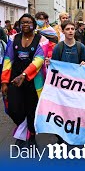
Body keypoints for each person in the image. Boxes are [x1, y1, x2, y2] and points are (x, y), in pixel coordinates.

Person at [1, 13, 49, 147]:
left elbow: (38, 60)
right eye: (23, 22)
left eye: (28, 22)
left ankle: (31, 135)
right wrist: (4, 82)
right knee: (14, 108)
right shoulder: (13, 38)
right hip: (14, 80)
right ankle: (22, 128)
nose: (26, 24)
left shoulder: (42, 40)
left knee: (32, 108)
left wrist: (23, 75)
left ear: (34, 24)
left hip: (33, 80)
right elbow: (7, 59)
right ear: (20, 24)